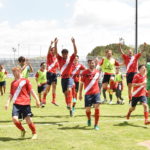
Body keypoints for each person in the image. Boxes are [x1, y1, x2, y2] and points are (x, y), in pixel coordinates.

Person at [5, 67, 40, 139]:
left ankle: (34, 133)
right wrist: (7, 103)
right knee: (14, 119)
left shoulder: (25, 81)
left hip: (25, 103)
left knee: (28, 120)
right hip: (16, 104)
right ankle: (22, 130)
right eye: (13, 72)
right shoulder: (12, 83)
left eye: (14, 72)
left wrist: (37, 100)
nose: (13, 74)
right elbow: (11, 94)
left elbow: (31, 91)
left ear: (19, 71)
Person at [54, 37, 77, 117]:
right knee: (65, 94)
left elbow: (76, 52)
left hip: (69, 78)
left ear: (68, 54)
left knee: (69, 90)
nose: (65, 55)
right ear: (62, 54)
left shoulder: (70, 59)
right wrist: (55, 43)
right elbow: (56, 53)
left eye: (66, 53)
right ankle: (70, 108)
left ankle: (70, 105)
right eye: (63, 53)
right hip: (63, 79)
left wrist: (74, 43)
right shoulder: (60, 59)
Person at [79, 59, 101, 130]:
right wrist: (80, 94)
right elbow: (81, 84)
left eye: (93, 63)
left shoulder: (97, 72)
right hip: (88, 93)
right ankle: (89, 119)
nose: (92, 64)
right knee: (88, 110)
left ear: (95, 64)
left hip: (96, 93)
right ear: (88, 64)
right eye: (91, 63)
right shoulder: (84, 72)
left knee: (97, 107)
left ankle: (96, 124)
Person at [42, 41, 59, 106]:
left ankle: (53, 100)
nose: (54, 51)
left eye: (55, 50)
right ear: (51, 51)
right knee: (48, 88)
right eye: (52, 50)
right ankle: (43, 99)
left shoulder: (56, 59)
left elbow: (58, 67)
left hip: (54, 74)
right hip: (49, 73)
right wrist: (51, 44)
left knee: (54, 87)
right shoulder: (49, 56)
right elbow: (48, 51)